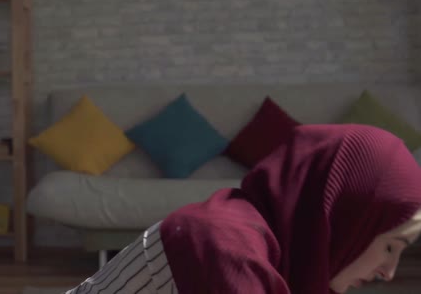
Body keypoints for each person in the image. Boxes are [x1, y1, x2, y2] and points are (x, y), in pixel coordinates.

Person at [64, 124, 421, 294]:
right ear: (347, 216)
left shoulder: (279, 256)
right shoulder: (225, 246)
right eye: (390, 245)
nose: (389, 272)